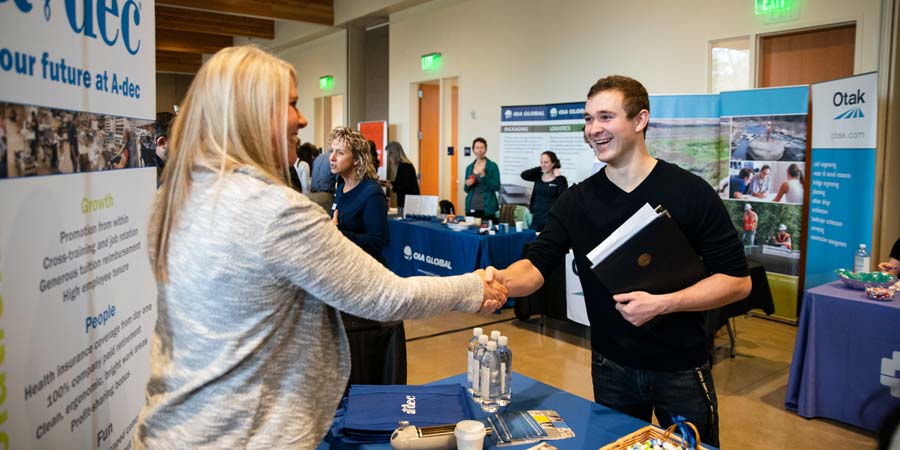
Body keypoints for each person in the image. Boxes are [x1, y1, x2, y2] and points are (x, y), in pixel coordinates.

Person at [135, 46, 507, 450]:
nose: (303, 118)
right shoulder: (272, 211)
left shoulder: (178, 196)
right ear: (253, 113)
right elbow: (387, 297)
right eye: (291, 104)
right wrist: (475, 286)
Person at [488, 75, 750, 447]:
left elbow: (738, 281)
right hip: (611, 367)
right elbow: (535, 266)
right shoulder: (577, 201)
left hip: (681, 367)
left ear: (639, 120)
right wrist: (497, 282)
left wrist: (664, 303)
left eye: (605, 117)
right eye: (588, 119)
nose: (593, 129)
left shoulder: (690, 193)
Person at [520, 151, 568, 231]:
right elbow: (524, 175)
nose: (543, 164)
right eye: (541, 162)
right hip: (537, 217)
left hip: (552, 219)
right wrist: (541, 167)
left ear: (553, 163)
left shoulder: (561, 179)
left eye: (546, 162)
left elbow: (564, 197)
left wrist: (558, 177)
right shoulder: (538, 177)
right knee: (533, 241)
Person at [463, 137, 500, 219]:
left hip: (488, 209)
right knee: (471, 231)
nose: (479, 150)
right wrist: (468, 184)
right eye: (477, 148)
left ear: (486, 150)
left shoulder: (492, 166)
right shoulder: (469, 167)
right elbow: (466, 189)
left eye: (482, 148)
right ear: (473, 150)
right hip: (471, 207)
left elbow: (497, 186)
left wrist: (484, 176)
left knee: (488, 231)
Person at [384, 141, 420, 209]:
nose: (388, 157)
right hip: (407, 202)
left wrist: (391, 186)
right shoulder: (404, 165)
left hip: (408, 204)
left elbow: (404, 187)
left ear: (396, 153)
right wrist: (389, 183)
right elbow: (401, 183)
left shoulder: (405, 166)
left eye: (390, 153)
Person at [310, 144, 337, 211]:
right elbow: (338, 179)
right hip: (326, 196)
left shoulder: (318, 158)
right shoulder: (333, 160)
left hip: (312, 196)